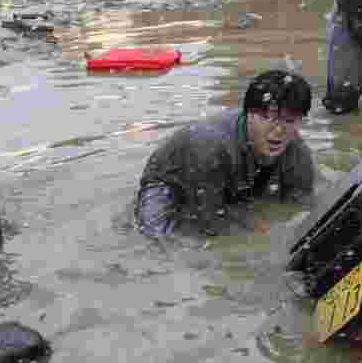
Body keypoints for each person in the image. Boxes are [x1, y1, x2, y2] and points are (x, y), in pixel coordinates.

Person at [135, 70, 317, 238]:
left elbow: (304, 206)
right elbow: (209, 224)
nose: (278, 131)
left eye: (289, 120)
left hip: (235, 181)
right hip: (172, 184)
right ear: (248, 114)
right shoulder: (209, 146)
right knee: (157, 238)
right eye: (267, 118)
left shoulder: (297, 152)